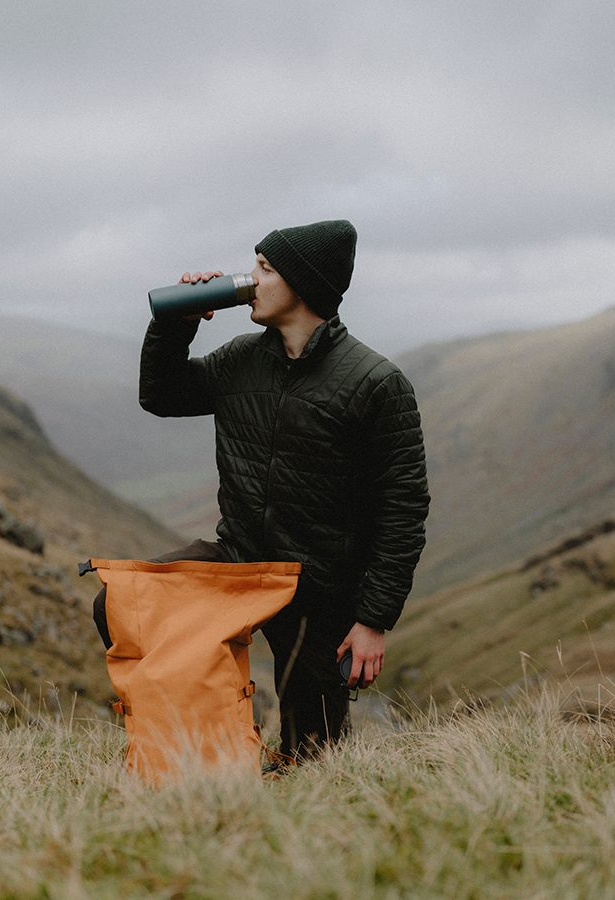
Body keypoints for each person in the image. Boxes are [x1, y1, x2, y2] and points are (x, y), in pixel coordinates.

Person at [138, 219, 430, 761]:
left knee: (314, 756)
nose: (249, 279)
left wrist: (372, 619)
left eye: (265, 269)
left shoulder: (376, 384)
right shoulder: (240, 359)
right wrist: (177, 323)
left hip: (316, 589)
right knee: (127, 603)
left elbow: (403, 509)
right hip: (240, 562)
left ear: (303, 284)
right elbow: (161, 394)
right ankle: (208, 754)